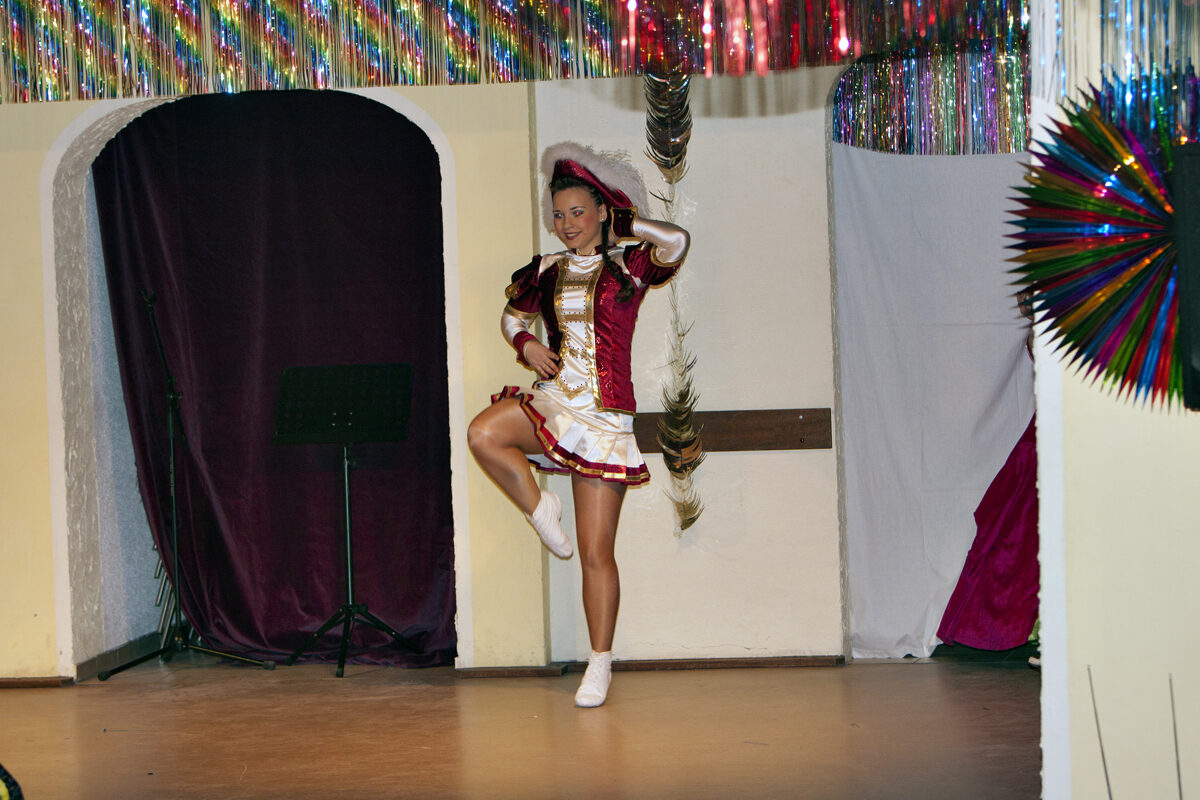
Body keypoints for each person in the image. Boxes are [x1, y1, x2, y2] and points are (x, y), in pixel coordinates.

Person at [467, 142, 690, 708]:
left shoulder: (629, 266)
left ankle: (599, 663)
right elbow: (511, 317)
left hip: (605, 417)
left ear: (601, 212)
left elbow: (677, 242)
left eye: (577, 212)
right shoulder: (544, 270)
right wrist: (525, 343)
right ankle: (540, 508)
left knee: (595, 552)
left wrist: (628, 224)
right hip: (554, 400)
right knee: (483, 433)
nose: (566, 224)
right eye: (558, 214)